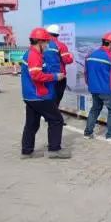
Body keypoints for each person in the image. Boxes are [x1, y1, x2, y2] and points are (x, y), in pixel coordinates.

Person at [21, 27, 70, 160]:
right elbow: (36, 75)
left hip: (30, 95)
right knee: (56, 120)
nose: (47, 45)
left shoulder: (31, 53)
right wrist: (55, 76)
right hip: (39, 95)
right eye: (46, 42)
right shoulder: (34, 55)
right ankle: (54, 150)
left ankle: (27, 151)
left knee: (32, 124)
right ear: (40, 42)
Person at [44, 24, 74, 108]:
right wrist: (71, 57)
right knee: (56, 99)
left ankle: (47, 112)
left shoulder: (43, 45)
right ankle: (53, 113)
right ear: (58, 34)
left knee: (46, 97)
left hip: (45, 76)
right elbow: (66, 60)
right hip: (59, 77)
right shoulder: (61, 45)